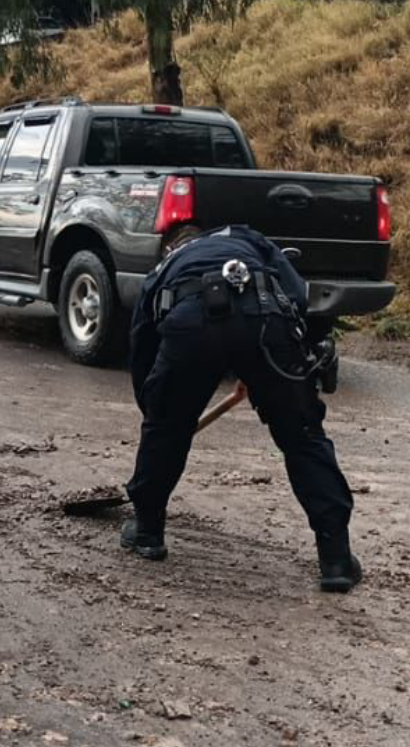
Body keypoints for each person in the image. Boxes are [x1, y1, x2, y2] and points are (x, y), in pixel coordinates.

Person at [121, 225, 360, 593]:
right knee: (303, 436)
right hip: (265, 318)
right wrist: (282, 367)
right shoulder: (248, 239)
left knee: (165, 431)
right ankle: (336, 559)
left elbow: (142, 344)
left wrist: (155, 412)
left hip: (190, 324)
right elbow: (299, 296)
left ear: (174, 246)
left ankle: (148, 532)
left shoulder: (165, 268)